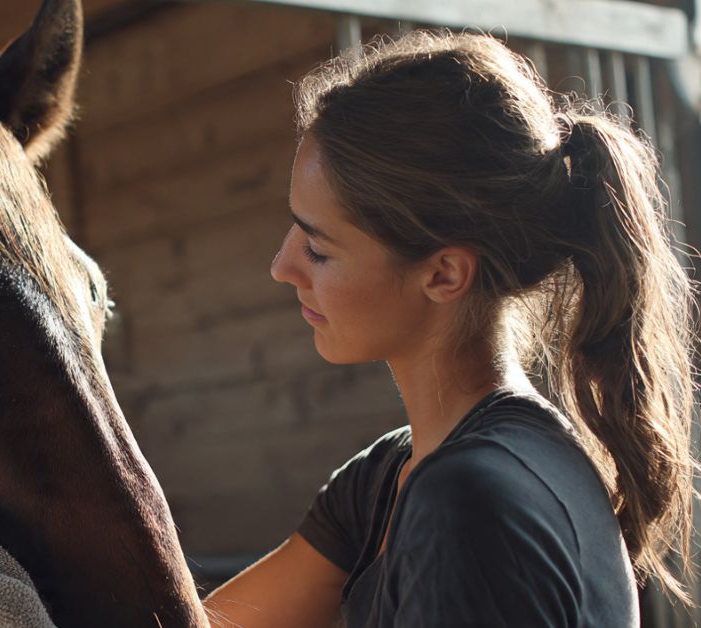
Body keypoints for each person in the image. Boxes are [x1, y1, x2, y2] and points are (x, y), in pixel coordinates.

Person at [203, 31, 697, 627]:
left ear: (443, 274)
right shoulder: (391, 475)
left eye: (318, 248)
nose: (282, 268)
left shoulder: (470, 500)